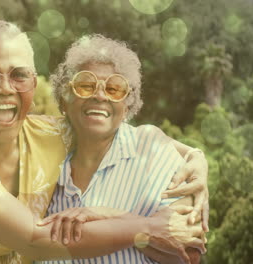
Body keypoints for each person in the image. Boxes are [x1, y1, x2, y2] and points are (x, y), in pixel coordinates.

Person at [0, 20, 206, 264]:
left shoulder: (48, 134)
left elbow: (124, 130)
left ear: (33, 81)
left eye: (19, 75)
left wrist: (196, 157)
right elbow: (36, 240)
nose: (6, 88)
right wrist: (147, 228)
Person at [37, 34, 206, 264]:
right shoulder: (42, 160)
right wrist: (144, 227)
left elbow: (188, 252)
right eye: (85, 85)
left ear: (127, 106)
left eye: (114, 88)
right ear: (65, 99)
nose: (99, 95)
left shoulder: (150, 147)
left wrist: (106, 214)